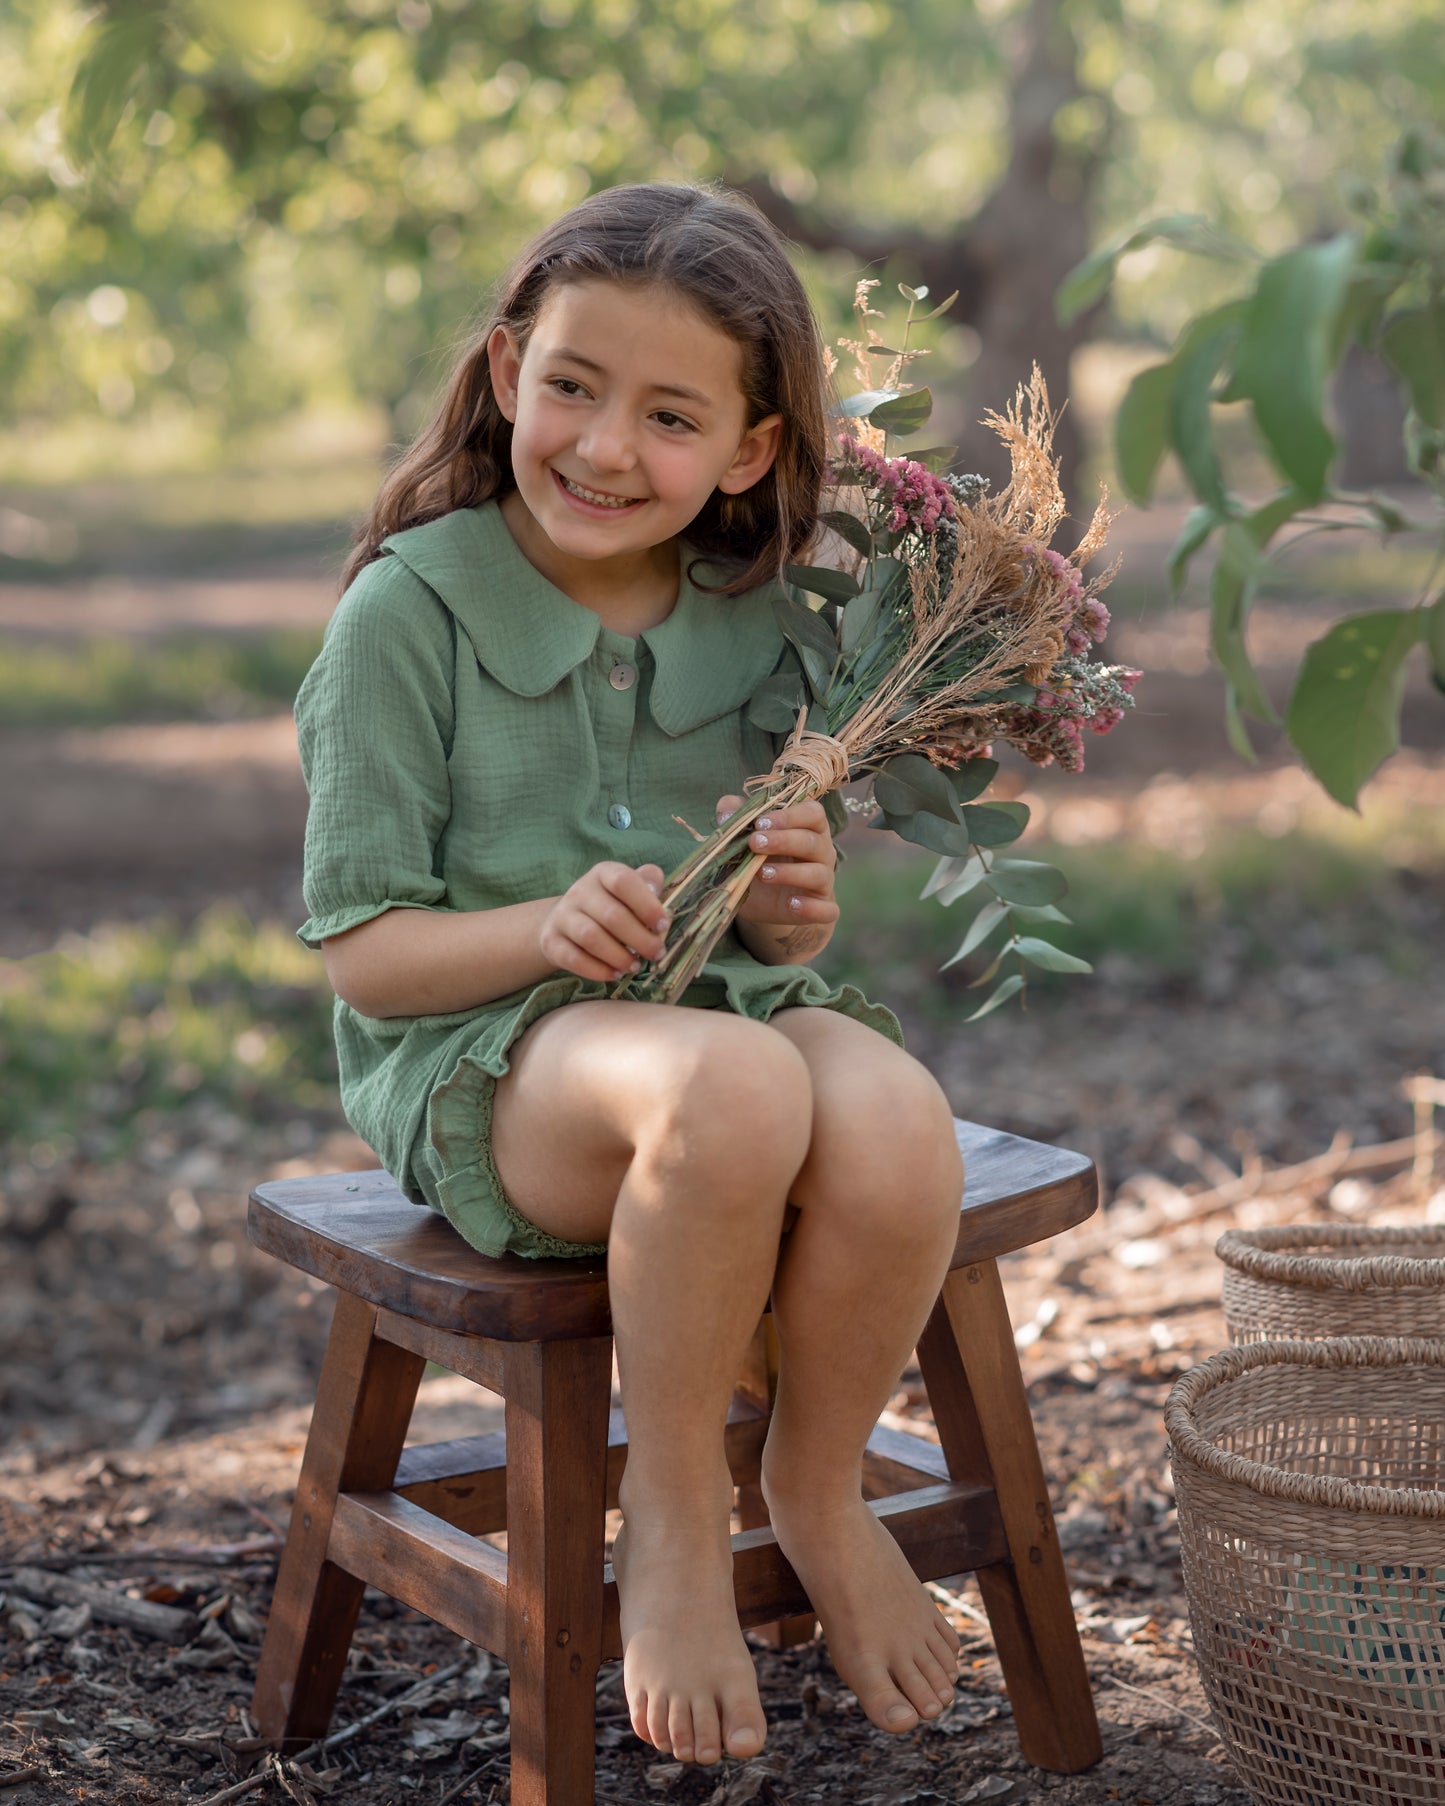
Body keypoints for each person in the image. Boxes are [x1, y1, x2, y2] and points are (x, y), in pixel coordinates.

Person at [295, 182, 965, 1769]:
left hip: (709, 1026)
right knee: (733, 1087)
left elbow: (773, 938)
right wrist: (540, 932)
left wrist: (795, 905)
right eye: (574, 386)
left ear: (745, 448)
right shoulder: (408, 614)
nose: (602, 448)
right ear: (510, 364)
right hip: (485, 1062)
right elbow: (366, 958)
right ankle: (667, 1518)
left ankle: (807, 1479)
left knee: (896, 1122)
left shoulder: (764, 625)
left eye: (668, 416)